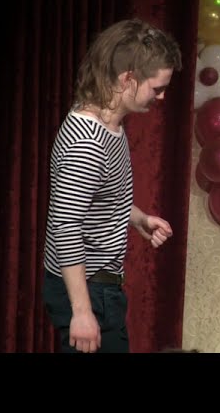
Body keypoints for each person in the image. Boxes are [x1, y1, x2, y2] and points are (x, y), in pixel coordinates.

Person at [42, 19, 182, 353]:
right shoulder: (87, 142)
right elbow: (66, 224)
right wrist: (82, 312)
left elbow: (100, 197)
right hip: (87, 289)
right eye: (157, 88)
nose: (162, 96)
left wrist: (138, 218)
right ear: (127, 79)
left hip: (100, 288)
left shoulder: (111, 127)